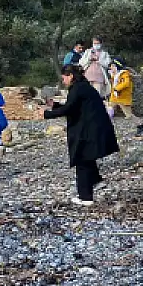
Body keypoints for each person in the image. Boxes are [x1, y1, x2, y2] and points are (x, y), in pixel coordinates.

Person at [43, 65, 120, 207]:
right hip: (93, 128)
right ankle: (96, 180)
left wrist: (46, 114)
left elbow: (69, 109)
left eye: (64, 77)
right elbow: (74, 106)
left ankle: (86, 198)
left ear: (71, 76)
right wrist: (55, 106)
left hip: (88, 130)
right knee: (87, 157)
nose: (63, 80)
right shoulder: (83, 87)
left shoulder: (78, 89)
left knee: (82, 160)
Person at [109, 59, 143, 135]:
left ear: (117, 66)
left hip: (123, 98)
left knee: (129, 114)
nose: (111, 68)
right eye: (111, 66)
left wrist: (117, 88)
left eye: (112, 66)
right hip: (115, 97)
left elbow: (126, 83)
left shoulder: (124, 74)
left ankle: (140, 126)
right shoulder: (115, 75)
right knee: (109, 109)